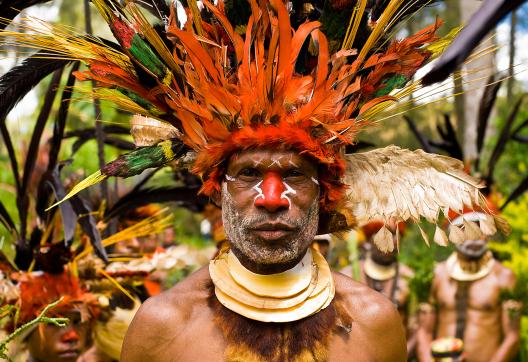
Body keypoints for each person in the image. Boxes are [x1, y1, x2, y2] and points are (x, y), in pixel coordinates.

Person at [3, 1, 505, 361]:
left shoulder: (375, 321)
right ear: (216, 187)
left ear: (325, 191)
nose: (271, 199)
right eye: (247, 174)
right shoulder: (162, 327)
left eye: (294, 175)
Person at [416, 212, 521, 362]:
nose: (474, 237)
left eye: (479, 231)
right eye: (466, 230)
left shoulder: (504, 277)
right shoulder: (437, 274)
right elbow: (424, 331)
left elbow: (512, 337)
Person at [341, 221, 417, 355]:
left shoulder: (409, 279)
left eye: (394, 236)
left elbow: (417, 329)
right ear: (368, 242)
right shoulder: (347, 276)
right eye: (383, 235)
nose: (390, 242)